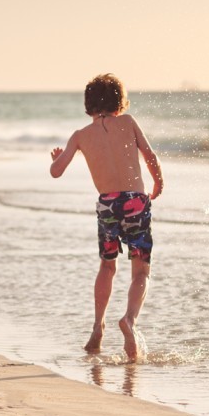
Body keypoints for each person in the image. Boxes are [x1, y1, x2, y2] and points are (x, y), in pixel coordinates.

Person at [50, 74, 164, 362]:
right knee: (140, 271)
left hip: (107, 205)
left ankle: (97, 326)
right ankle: (129, 320)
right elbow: (150, 156)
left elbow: (56, 172)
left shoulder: (80, 136)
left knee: (107, 266)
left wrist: (56, 158)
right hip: (136, 203)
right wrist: (158, 184)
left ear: (89, 104)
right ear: (119, 101)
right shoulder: (128, 122)